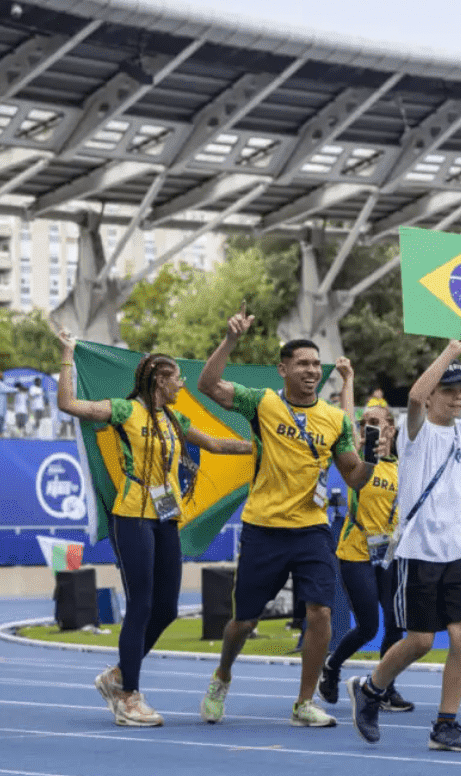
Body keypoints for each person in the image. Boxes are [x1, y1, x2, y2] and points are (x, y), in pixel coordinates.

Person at [56, 330, 251, 727]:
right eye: (177, 377)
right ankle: (128, 697)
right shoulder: (125, 411)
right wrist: (66, 356)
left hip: (166, 517)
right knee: (142, 604)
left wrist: (259, 448)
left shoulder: (176, 419)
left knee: (167, 608)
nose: (182, 383)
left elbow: (215, 444)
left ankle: (118, 676)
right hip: (130, 515)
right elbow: (68, 404)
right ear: (160, 380)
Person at [197, 306, 379, 728]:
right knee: (244, 622)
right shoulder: (261, 403)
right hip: (264, 528)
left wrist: (372, 460)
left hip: (312, 529)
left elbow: (353, 476)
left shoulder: (335, 420)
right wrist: (230, 340)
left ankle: (303, 702)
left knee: (321, 614)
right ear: (283, 369)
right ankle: (222, 674)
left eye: (317, 364)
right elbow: (207, 385)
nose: (312, 370)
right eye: (303, 363)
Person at [349, 336, 461, 752]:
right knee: (421, 640)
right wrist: (452, 352)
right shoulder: (414, 431)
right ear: (432, 398)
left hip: (457, 550)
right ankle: (370, 690)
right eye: (450, 390)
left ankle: (446, 724)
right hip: (417, 551)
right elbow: (412, 395)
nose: (460, 397)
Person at [317, 359, 411, 712]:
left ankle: (384, 686)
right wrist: (350, 379)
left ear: (391, 428)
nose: (371, 428)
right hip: (356, 550)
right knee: (369, 627)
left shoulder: (402, 465)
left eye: (378, 423)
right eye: (366, 423)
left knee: (396, 623)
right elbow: (345, 416)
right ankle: (332, 665)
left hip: (388, 552)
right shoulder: (358, 459)